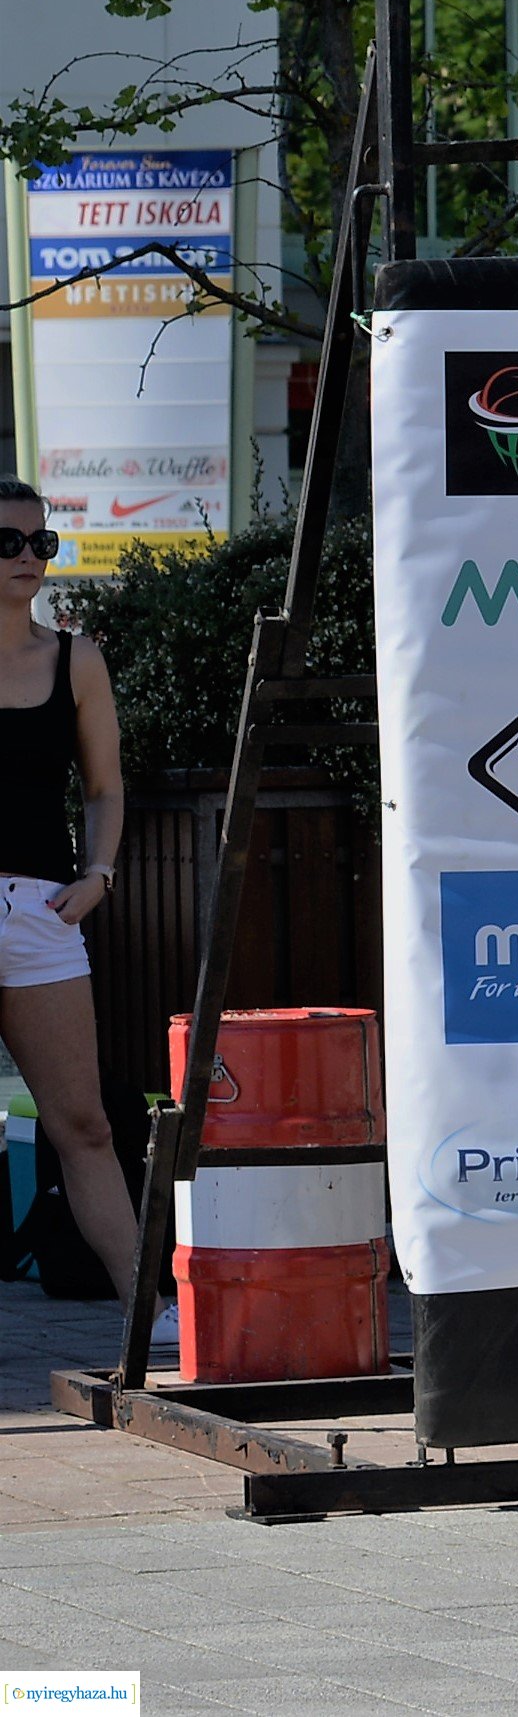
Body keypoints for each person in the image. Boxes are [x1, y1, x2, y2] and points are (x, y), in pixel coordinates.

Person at [0, 476, 143, 1311]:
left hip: (42, 912)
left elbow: (105, 785)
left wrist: (101, 874)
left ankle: (145, 1315)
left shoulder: (73, 659)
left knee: (83, 1126)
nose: (27, 556)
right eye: (8, 542)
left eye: (39, 542)